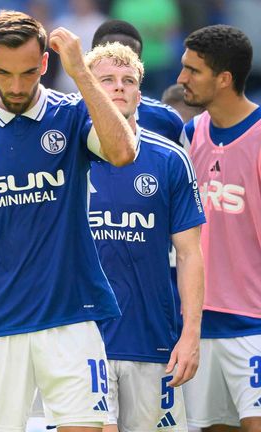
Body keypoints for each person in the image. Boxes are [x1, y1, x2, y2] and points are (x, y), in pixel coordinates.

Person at [0, 10, 137, 431]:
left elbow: (122, 152)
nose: (17, 86)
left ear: (44, 63)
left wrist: (80, 72)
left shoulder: (73, 113)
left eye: (28, 72)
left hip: (72, 316)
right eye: (4, 73)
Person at [85, 42, 205, 432]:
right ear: (88, 88)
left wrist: (190, 336)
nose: (119, 87)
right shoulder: (66, 155)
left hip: (153, 339)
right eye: (106, 80)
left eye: (128, 81)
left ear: (139, 91)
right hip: (81, 342)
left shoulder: (170, 159)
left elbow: (189, 254)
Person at [177, 25, 261, 431]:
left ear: (224, 79)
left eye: (193, 71)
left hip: (255, 325)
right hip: (201, 327)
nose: (181, 80)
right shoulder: (190, 136)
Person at [92, 19, 184, 144]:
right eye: (110, 56)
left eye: (128, 59)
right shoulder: (66, 115)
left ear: (139, 68)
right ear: (92, 62)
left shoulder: (166, 120)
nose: (118, 66)